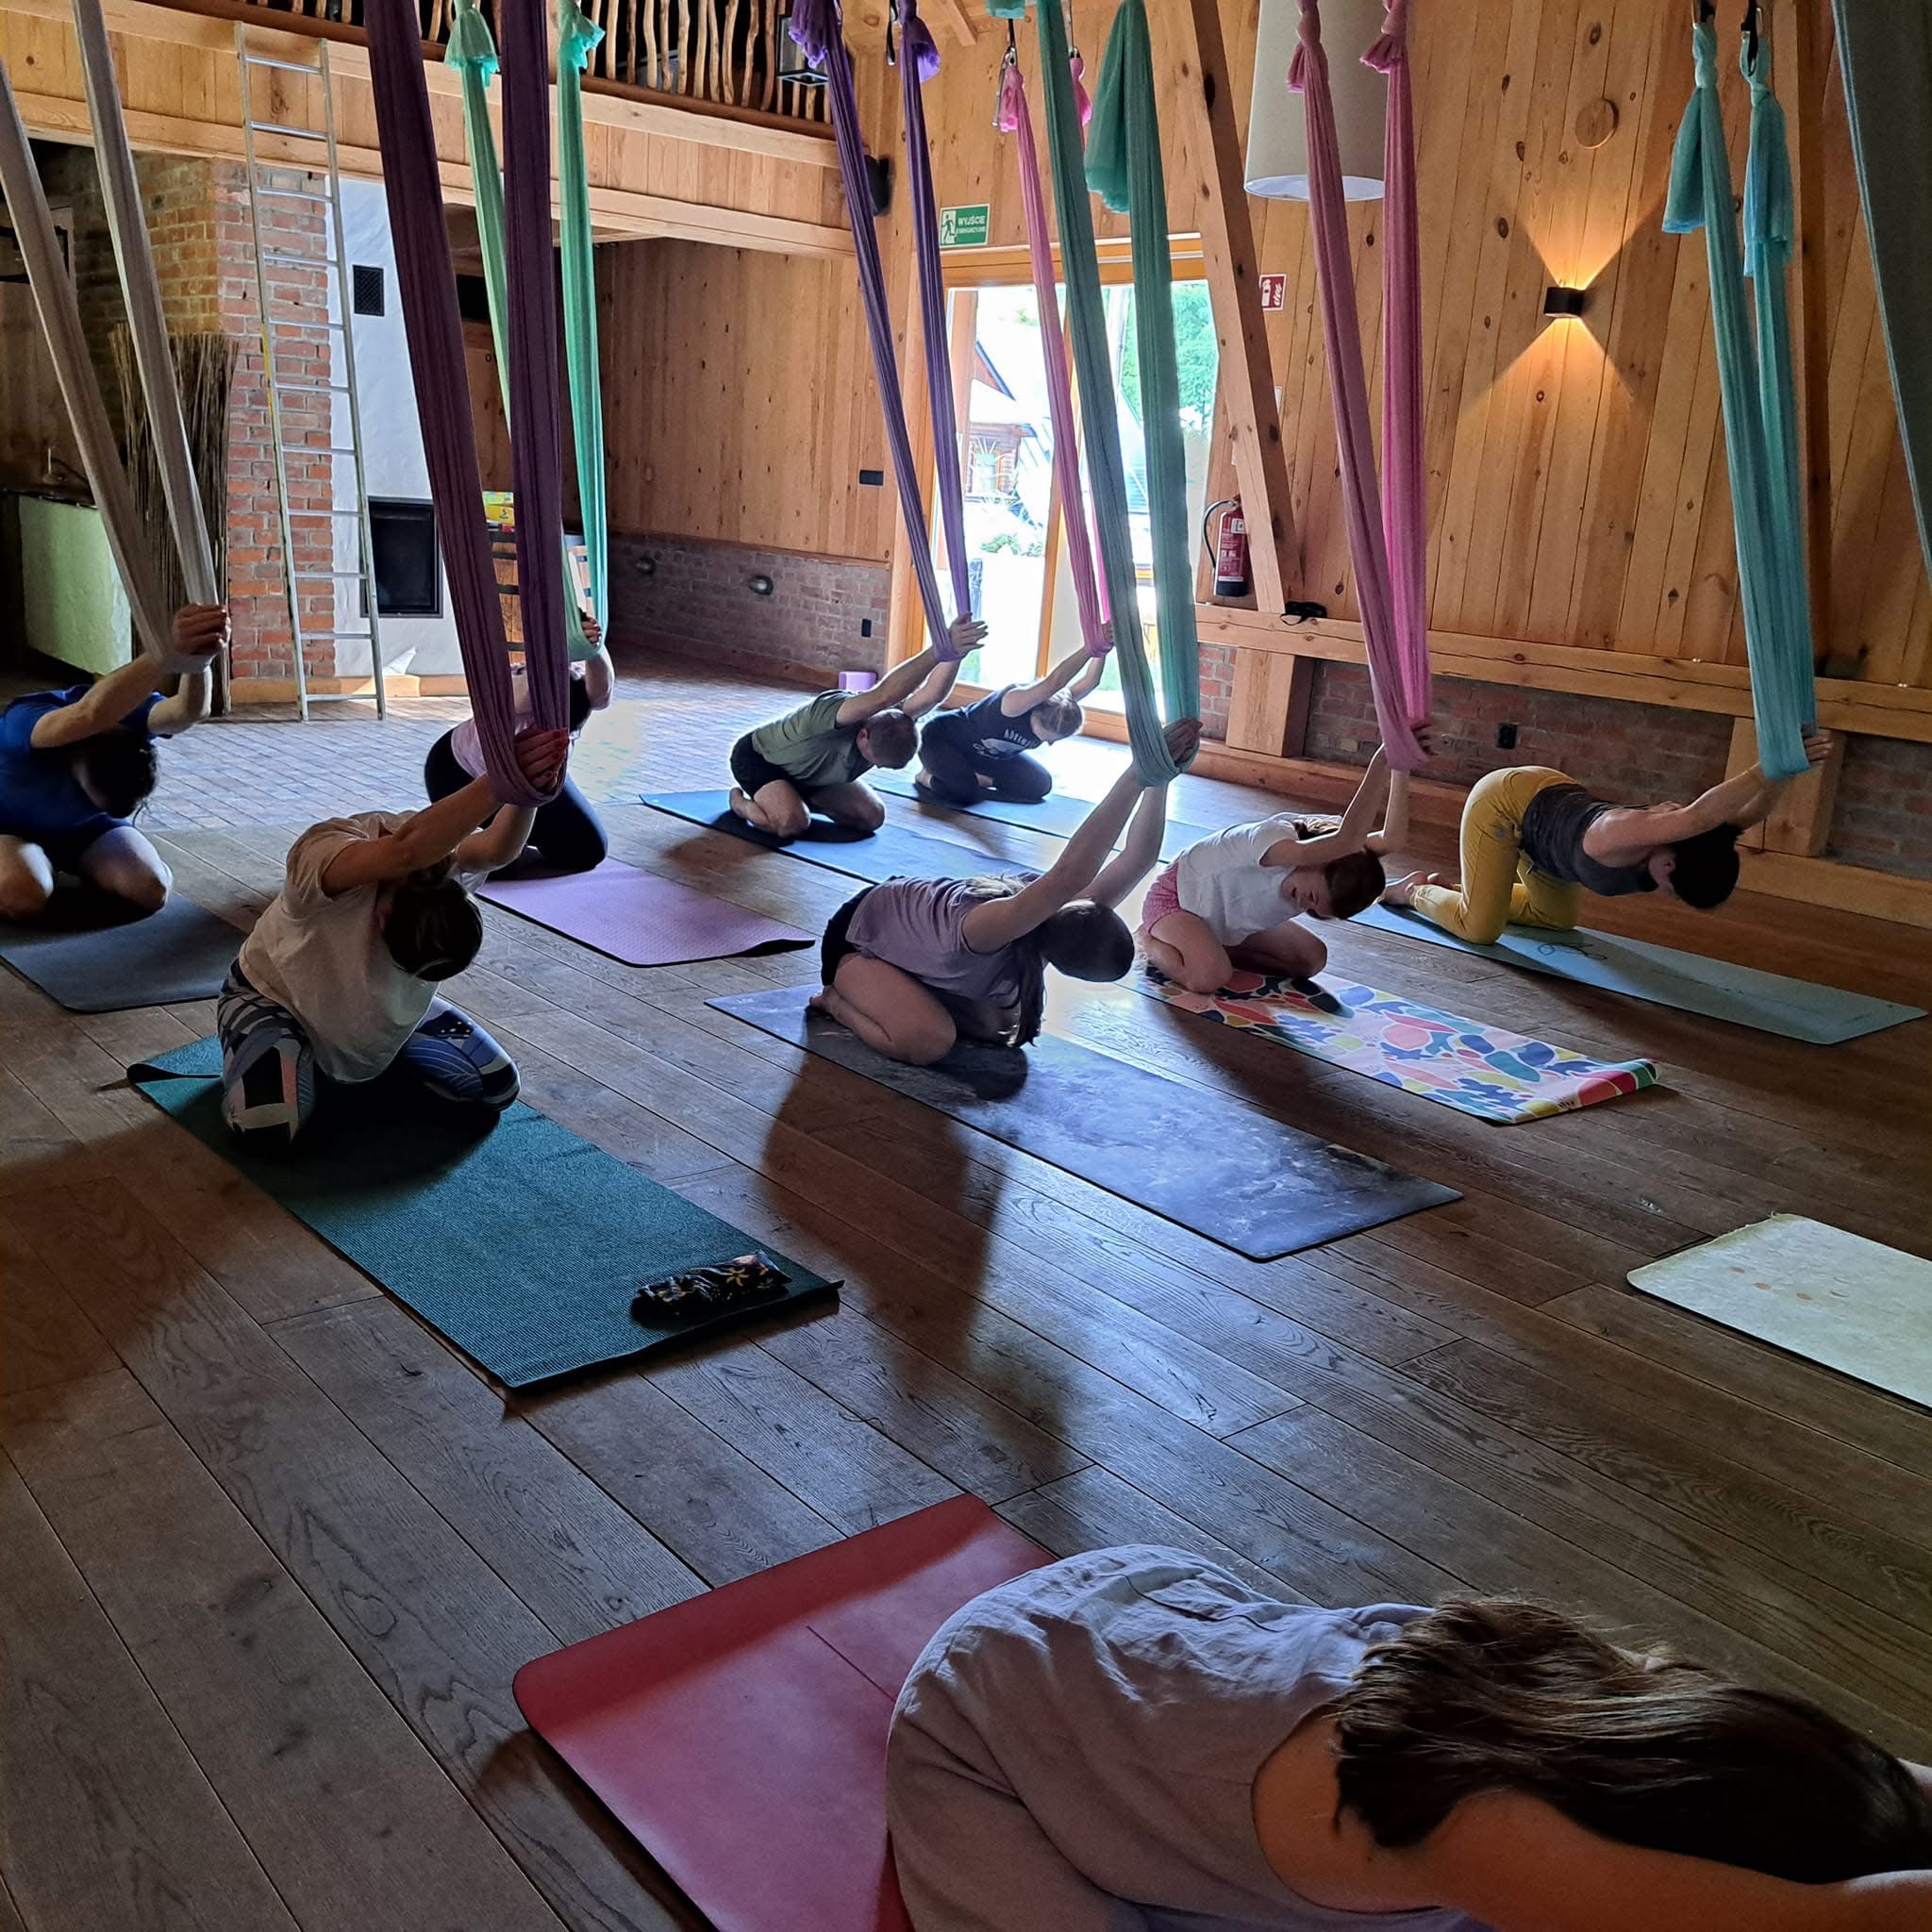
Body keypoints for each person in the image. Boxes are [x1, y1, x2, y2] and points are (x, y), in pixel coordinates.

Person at [888, 1546, 1932, 1932]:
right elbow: (1847, 1921)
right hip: (986, 1722)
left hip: (1146, 1602)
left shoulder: (1636, 1706)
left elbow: (1886, 1790)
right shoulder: (1501, 1836)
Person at [218, 726, 567, 1146]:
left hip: (376, 1011)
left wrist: (528, 791)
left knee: (497, 1086)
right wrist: (502, 776)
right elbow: (406, 850)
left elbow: (498, 850)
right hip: (277, 1001)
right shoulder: (322, 859)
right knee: (267, 1127)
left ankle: (354, 1063)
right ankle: (287, 1059)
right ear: (381, 921)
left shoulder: (441, 872)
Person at [812, 717, 1199, 1064]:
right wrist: (1135, 776)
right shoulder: (996, 926)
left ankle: (910, 989)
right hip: (856, 938)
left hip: (908, 934)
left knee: (1000, 1027)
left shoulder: (1070, 912)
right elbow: (1069, 873)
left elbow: (1138, 860)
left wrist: (1159, 777)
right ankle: (835, 1000)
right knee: (929, 1040)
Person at [1382, 735, 1833, 943]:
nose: (1664, 893)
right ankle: (1412, 891)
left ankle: (1468, 891)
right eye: (1671, 887)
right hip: (1504, 804)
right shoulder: (1626, 832)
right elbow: (1698, 814)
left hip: (1550, 822)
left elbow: (1750, 812)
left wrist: (1786, 771)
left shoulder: (1696, 842)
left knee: (1555, 919)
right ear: (1669, 862)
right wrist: (1765, 767)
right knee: (1480, 929)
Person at [1141, 737, 1423, 993]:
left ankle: (1208, 950)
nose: (1302, 904)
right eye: (1311, 897)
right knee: (1209, 978)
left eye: (1312, 909)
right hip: (1176, 902)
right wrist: (1383, 759)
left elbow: (1392, 839)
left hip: (1223, 922)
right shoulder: (1276, 842)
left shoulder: (1343, 856)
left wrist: (1401, 767)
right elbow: (1348, 839)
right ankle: (1148, 940)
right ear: (1324, 858)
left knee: (1312, 959)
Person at [0, 603, 226, 921]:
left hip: (84, 831)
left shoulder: (124, 723)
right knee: (23, 894)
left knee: (152, 889)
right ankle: (34, 868)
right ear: (76, 755)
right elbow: (89, 713)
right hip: (8, 826)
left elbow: (187, 712)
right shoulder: (27, 723)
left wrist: (199, 660)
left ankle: (64, 865)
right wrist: (165, 652)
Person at [729, 614, 987, 839]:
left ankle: (792, 799)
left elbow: (933, 694)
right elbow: (884, 694)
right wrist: (938, 649)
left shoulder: (894, 721)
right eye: (875, 760)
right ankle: (743, 805)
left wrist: (954, 654)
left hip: (813, 776)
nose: (876, 767)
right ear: (863, 735)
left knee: (872, 817)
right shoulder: (833, 715)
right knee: (792, 824)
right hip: (761, 760)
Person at [424, 611, 611, 874]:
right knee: (493, 861)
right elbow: (524, 696)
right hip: (459, 772)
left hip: (535, 773)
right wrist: (558, 649)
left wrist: (593, 647)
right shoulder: (517, 683)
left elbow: (602, 691)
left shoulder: (577, 680)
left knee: (587, 850)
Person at [914, 635, 1110, 808]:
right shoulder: (1015, 703)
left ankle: (975, 778)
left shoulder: (1061, 708)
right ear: (1035, 714)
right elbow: (1055, 681)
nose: (1048, 744)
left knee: (1040, 785)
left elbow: (1091, 681)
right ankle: (926, 777)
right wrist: (1088, 647)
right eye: (1047, 738)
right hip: (942, 741)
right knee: (964, 793)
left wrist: (1102, 646)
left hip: (986, 755)